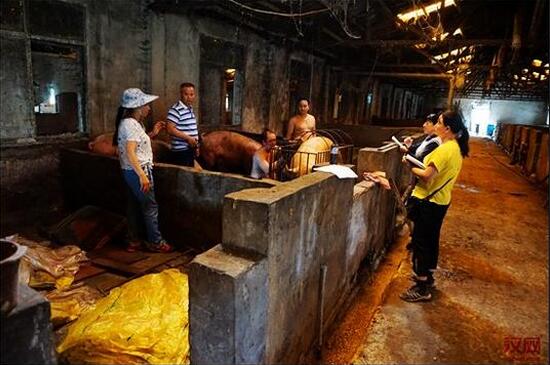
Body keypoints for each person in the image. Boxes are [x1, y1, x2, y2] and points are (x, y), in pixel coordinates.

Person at [400, 110, 469, 302]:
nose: (435, 125)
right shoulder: (456, 148)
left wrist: (408, 164)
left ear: (447, 128)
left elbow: (426, 176)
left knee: (421, 242)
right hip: (440, 200)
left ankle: (421, 287)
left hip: (427, 201)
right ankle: (427, 276)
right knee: (431, 240)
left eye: (439, 122)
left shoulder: (444, 150)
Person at [113, 88, 174, 253]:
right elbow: (131, 152)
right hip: (138, 171)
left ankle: (133, 240)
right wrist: (142, 175)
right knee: (150, 206)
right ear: (138, 107)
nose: (148, 108)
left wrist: (152, 133)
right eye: (146, 105)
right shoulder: (130, 125)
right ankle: (155, 241)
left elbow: (137, 145)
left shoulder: (131, 124)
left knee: (133, 205)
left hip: (130, 171)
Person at [166, 82, 199, 167]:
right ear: (181, 94)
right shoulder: (176, 110)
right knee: (184, 177)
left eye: (191, 94)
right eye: (186, 94)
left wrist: (196, 147)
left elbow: (191, 130)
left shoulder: (190, 108)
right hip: (181, 151)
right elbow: (170, 129)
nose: (189, 97)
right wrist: (188, 138)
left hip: (190, 149)